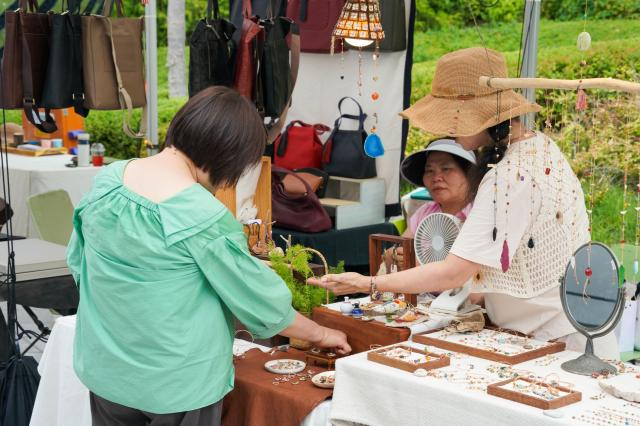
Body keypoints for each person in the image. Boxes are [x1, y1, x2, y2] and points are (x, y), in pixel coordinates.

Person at [67, 86, 351, 426]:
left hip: (107, 370)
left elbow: (79, 263)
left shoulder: (110, 180)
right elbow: (262, 303)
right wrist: (322, 334)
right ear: (228, 157)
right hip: (176, 383)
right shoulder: (201, 216)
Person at [309, 47, 617, 358]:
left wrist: (369, 281)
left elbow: (452, 272)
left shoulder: (509, 175)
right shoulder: (541, 146)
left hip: (557, 341)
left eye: (453, 117)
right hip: (564, 326)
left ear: (484, 115)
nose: (449, 129)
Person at [388, 139, 476, 267]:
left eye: (446, 168)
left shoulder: (480, 213)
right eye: (429, 171)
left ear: (469, 174)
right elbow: (397, 249)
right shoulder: (425, 213)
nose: (436, 177)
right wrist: (396, 254)